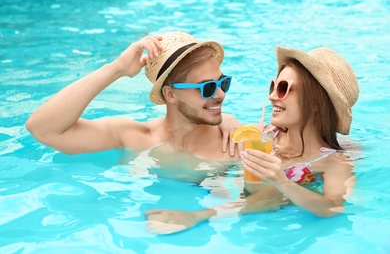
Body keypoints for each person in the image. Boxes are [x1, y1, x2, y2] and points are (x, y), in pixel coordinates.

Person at [144, 45, 359, 234]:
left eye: (284, 89)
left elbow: (332, 208)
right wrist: (224, 120)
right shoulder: (263, 136)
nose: (272, 96)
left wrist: (282, 182)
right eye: (273, 86)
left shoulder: (334, 163)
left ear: (316, 103)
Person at [25, 31, 241, 162]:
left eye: (223, 83)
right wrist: (116, 69)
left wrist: (195, 217)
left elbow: (264, 201)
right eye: (207, 87)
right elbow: (42, 128)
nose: (221, 94)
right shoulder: (135, 139)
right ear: (170, 94)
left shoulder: (235, 144)